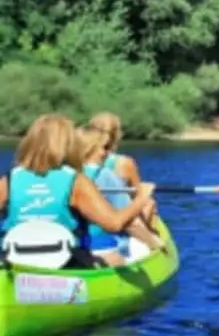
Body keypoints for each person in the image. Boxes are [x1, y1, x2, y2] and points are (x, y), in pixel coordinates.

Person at [0, 114, 156, 268]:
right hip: (69, 263)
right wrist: (141, 199)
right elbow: (114, 223)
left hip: (15, 261)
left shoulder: (8, 180)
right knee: (116, 259)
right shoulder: (76, 181)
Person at [65, 127, 164, 266]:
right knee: (142, 246)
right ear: (90, 149)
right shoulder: (105, 175)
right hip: (104, 248)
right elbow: (131, 224)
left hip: (71, 249)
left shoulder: (64, 175)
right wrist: (157, 245)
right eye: (104, 147)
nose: (108, 153)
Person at [86, 112, 154, 223]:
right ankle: (151, 237)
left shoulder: (78, 161)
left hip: (89, 215)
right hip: (117, 218)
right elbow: (138, 195)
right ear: (117, 135)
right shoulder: (124, 163)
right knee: (150, 203)